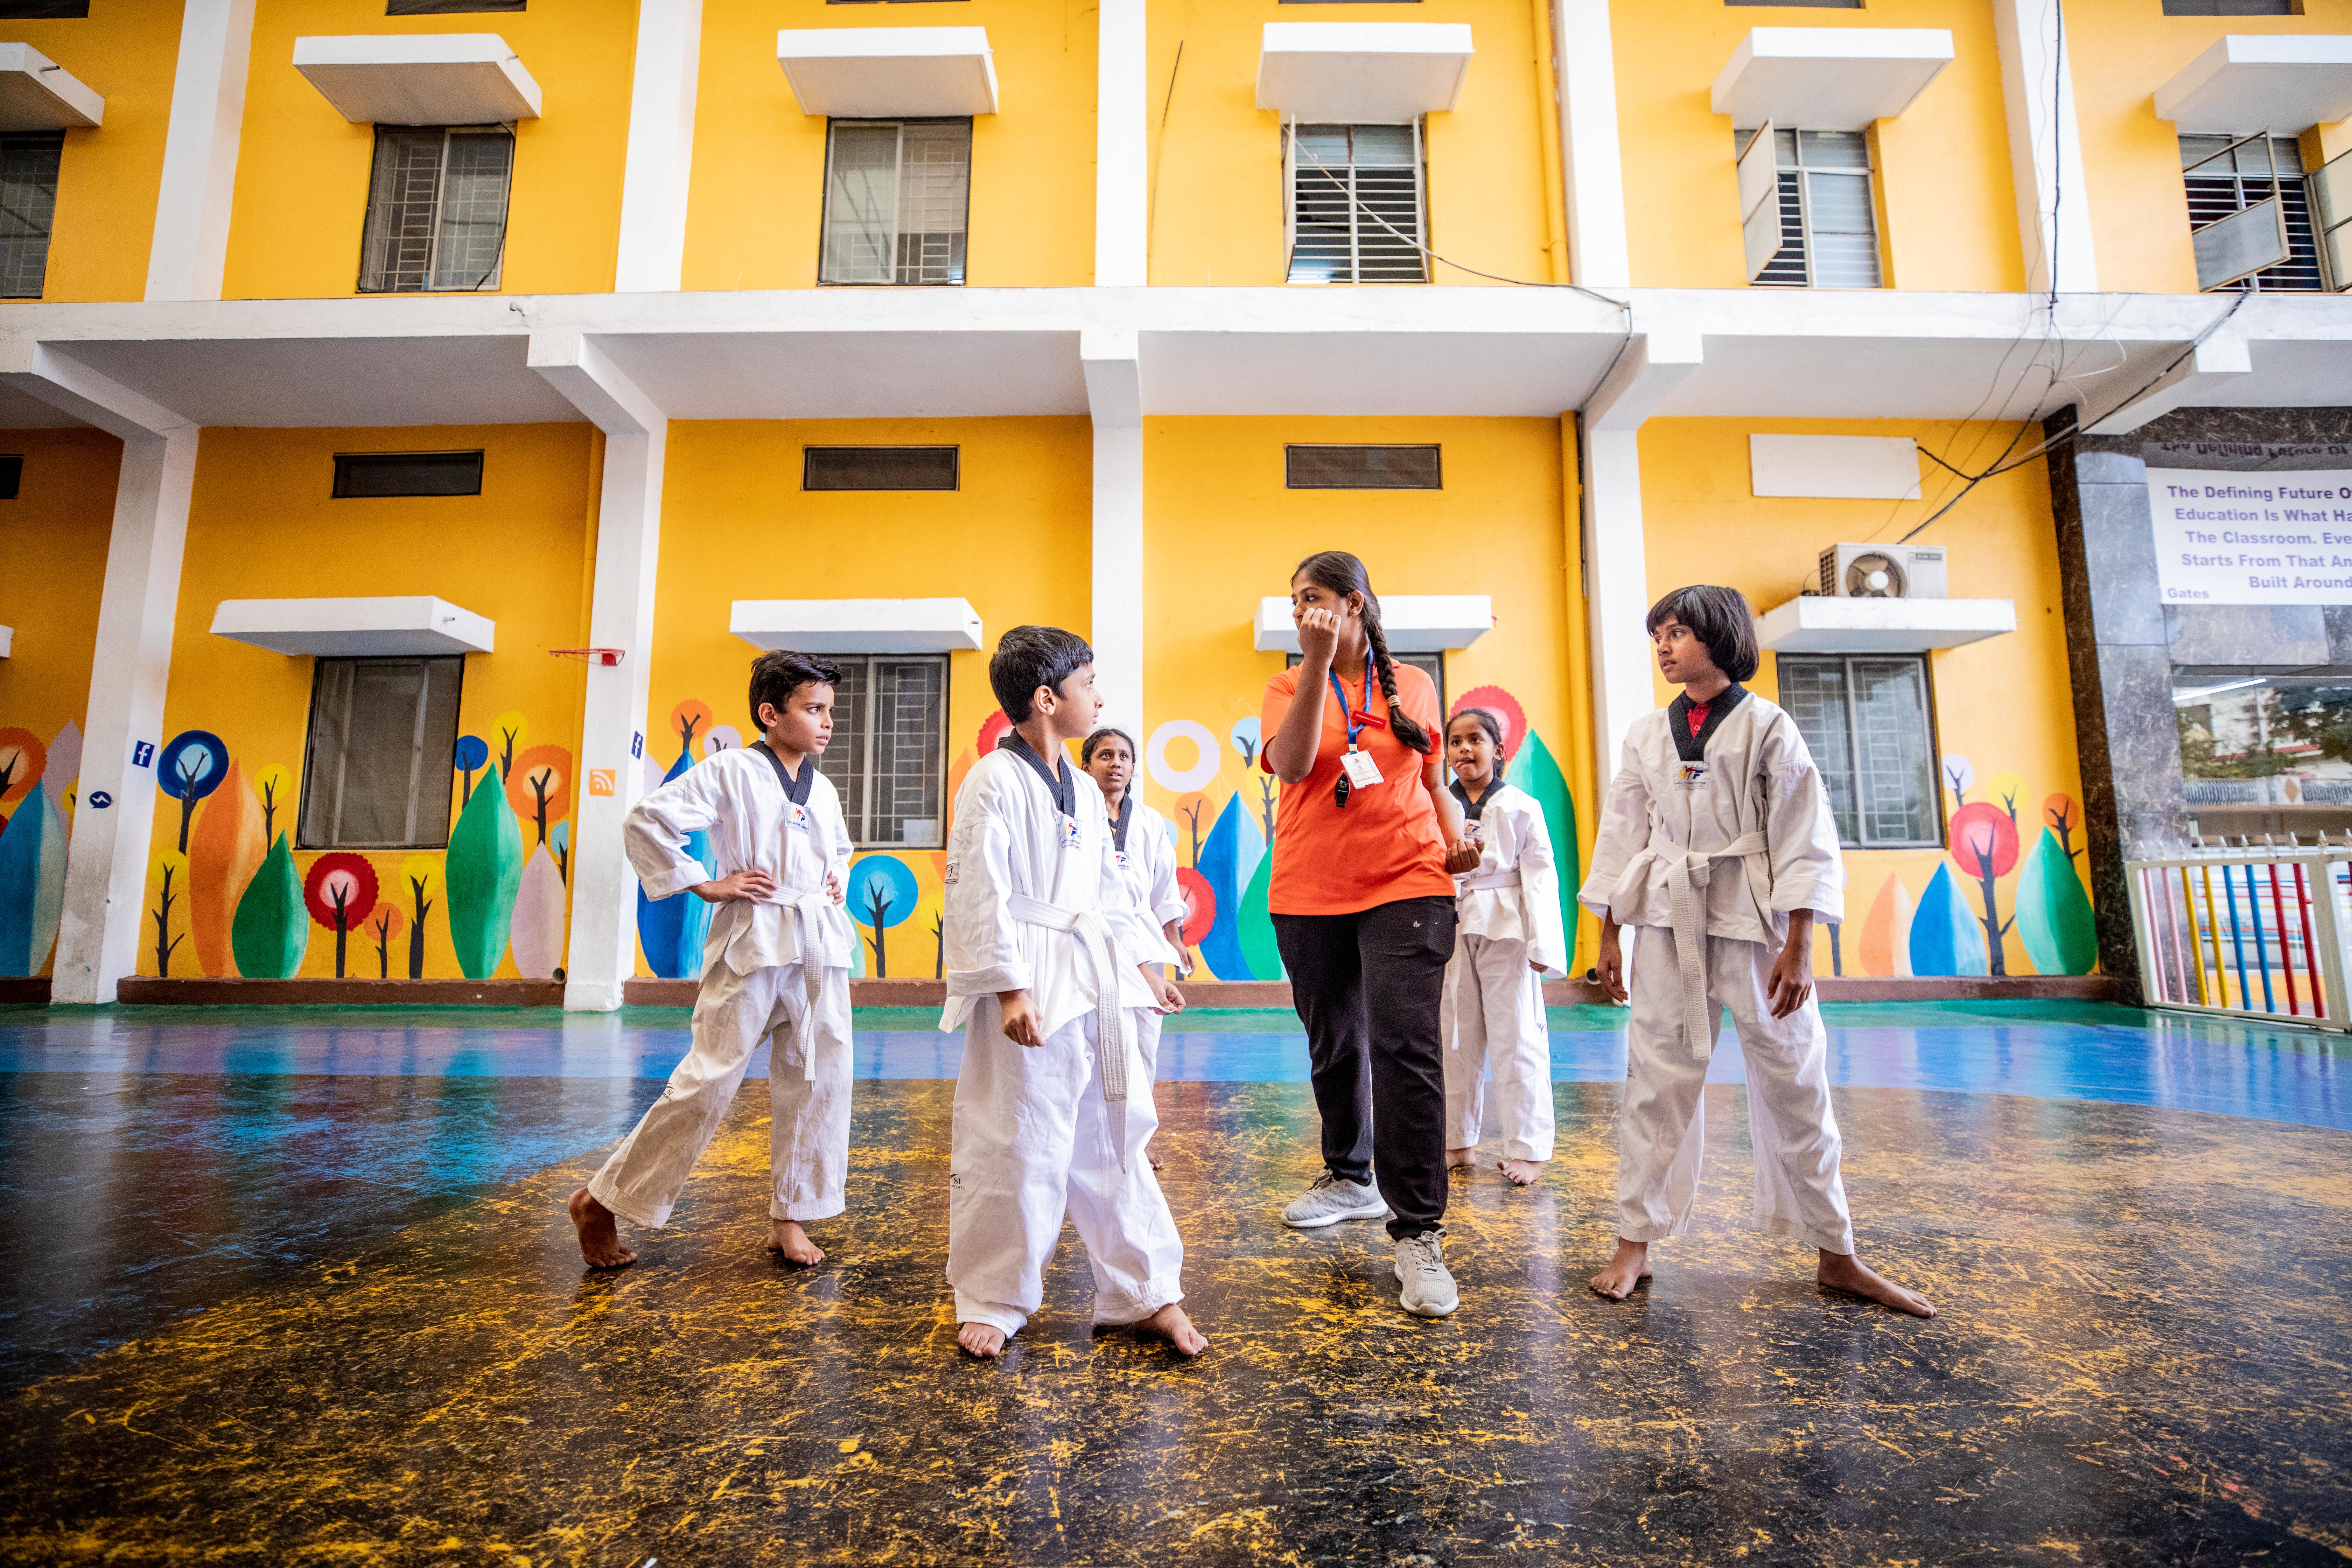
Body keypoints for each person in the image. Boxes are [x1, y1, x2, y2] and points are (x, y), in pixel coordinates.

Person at [1580, 585, 1934, 1318]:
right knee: (1655, 1077)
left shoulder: (1770, 727)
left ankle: (1837, 1250)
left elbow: (1805, 834)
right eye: (1659, 635)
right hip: (1669, 922)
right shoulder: (1646, 735)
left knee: (1796, 1079)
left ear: (1720, 637)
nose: (1665, 646)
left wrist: (1801, 945)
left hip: (1759, 923)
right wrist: (1609, 932)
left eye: (1678, 632)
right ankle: (1635, 1238)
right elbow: (1621, 835)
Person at [940, 626, 1204, 1358]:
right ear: (1048, 698)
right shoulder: (994, 781)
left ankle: (1145, 1290)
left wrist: (1147, 968)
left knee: (1116, 1130)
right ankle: (995, 1294)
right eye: (1089, 683)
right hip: (1029, 975)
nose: (1100, 696)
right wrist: (1009, 988)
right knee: (1016, 1135)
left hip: (1091, 974)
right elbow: (978, 888)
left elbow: (1112, 891)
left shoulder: (1083, 792)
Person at [568, 650, 857, 1270]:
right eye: (814, 710)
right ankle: (602, 1200)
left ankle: (791, 1217)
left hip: (818, 946)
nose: (827, 722)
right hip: (754, 941)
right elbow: (648, 820)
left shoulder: (825, 787)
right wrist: (705, 884)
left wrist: (836, 876)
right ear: (770, 713)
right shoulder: (730, 770)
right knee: (707, 1082)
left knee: (818, 1082)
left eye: (830, 711)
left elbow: (839, 849)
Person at [1261, 550, 1483, 1320]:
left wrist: (1457, 840)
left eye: (1312, 598)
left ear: (1354, 602)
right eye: (1293, 601)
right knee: (1337, 1042)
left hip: (1408, 879)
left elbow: (1430, 782)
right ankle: (1350, 1175)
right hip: (1309, 887)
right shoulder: (1288, 682)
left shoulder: (1413, 683)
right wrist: (1316, 662)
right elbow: (1291, 766)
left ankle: (1418, 1230)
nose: (1299, 610)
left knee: (1405, 1047)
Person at [1439, 708, 1567, 1187]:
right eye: (1455, 741)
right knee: (1453, 1036)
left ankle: (1529, 1149)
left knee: (1518, 1038)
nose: (1465, 749)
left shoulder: (1521, 805)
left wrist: (1544, 943)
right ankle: (1458, 1141)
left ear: (1499, 751)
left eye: (1476, 739)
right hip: (1450, 924)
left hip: (1507, 925)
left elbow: (1540, 874)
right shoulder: (1437, 804)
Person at [1081, 726, 1192, 1171]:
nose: (1116, 763)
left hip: (1143, 945)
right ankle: (1090, 1140)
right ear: (1086, 766)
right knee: (1093, 1044)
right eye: (1105, 755)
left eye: (1124, 756)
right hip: (1090, 943)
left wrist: (1175, 939)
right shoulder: (1074, 820)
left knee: (1144, 1047)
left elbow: (1165, 888)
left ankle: (1136, 1141)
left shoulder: (1147, 822)